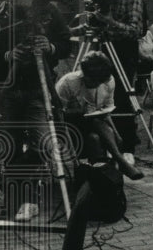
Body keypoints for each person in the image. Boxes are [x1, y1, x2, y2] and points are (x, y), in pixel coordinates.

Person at [0, 0, 72, 220]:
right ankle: (6, 192)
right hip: (9, 88)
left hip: (37, 87)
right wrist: (10, 56)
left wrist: (50, 47)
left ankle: (26, 196)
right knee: (10, 144)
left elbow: (65, 43)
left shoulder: (47, 11)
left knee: (45, 141)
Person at [87, 0, 144, 168]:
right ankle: (101, 146)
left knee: (121, 97)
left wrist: (110, 22)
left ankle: (127, 146)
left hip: (123, 50)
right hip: (100, 47)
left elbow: (135, 31)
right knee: (94, 94)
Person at [56, 52, 143, 180]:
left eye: (100, 81)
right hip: (70, 126)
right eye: (93, 81)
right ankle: (120, 160)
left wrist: (116, 134)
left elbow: (106, 110)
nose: (97, 84)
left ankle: (100, 177)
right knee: (95, 124)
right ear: (84, 73)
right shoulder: (68, 83)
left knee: (94, 137)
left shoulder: (108, 81)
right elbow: (57, 115)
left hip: (95, 124)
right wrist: (77, 111)